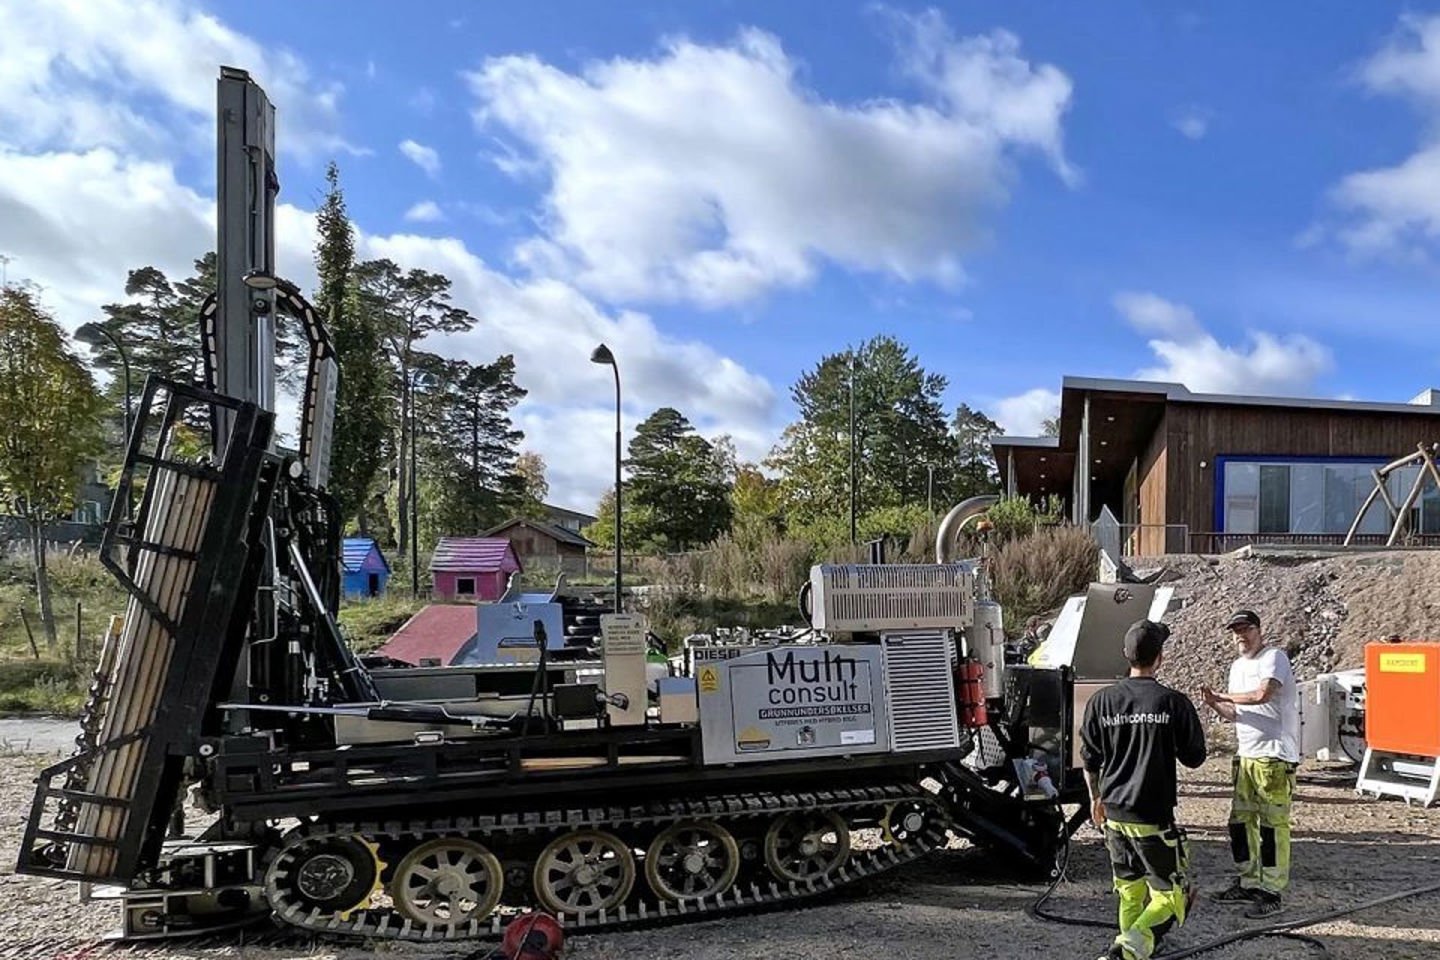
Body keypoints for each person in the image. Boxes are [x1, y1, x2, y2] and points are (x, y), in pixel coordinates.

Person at [1081, 619, 1207, 960]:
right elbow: (1195, 757)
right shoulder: (1172, 702)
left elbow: (1090, 759)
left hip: (1115, 814)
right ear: (1160, 658)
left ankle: (1135, 944)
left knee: (1129, 890)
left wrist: (1096, 798)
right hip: (1152, 816)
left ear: (1126, 655)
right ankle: (1126, 952)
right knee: (1171, 896)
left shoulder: (1101, 701)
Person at [1201, 609, 1300, 919]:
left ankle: (1271, 890)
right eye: (1236, 630)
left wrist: (1221, 695)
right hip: (1246, 756)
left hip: (1273, 756)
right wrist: (1216, 704)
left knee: (1272, 827)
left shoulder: (1274, 658)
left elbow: (1262, 694)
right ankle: (1248, 881)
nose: (1241, 635)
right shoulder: (1236, 666)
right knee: (1240, 823)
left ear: (1259, 630)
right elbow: (1237, 713)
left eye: (1246, 629)